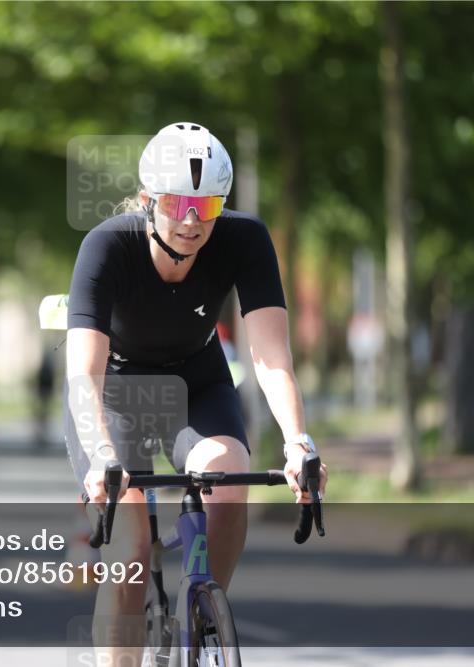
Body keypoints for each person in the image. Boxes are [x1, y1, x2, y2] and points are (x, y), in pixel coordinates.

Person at [64, 122, 329, 661]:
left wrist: (298, 441)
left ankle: (206, 609)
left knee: (229, 485)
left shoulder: (245, 238)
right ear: (147, 200)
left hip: (196, 382)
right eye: (177, 203)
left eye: (206, 207)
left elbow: (270, 355)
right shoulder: (108, 246)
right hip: (115, 390)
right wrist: (103, 457)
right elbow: (83, 374)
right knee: (131, 556)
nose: (191, 220)